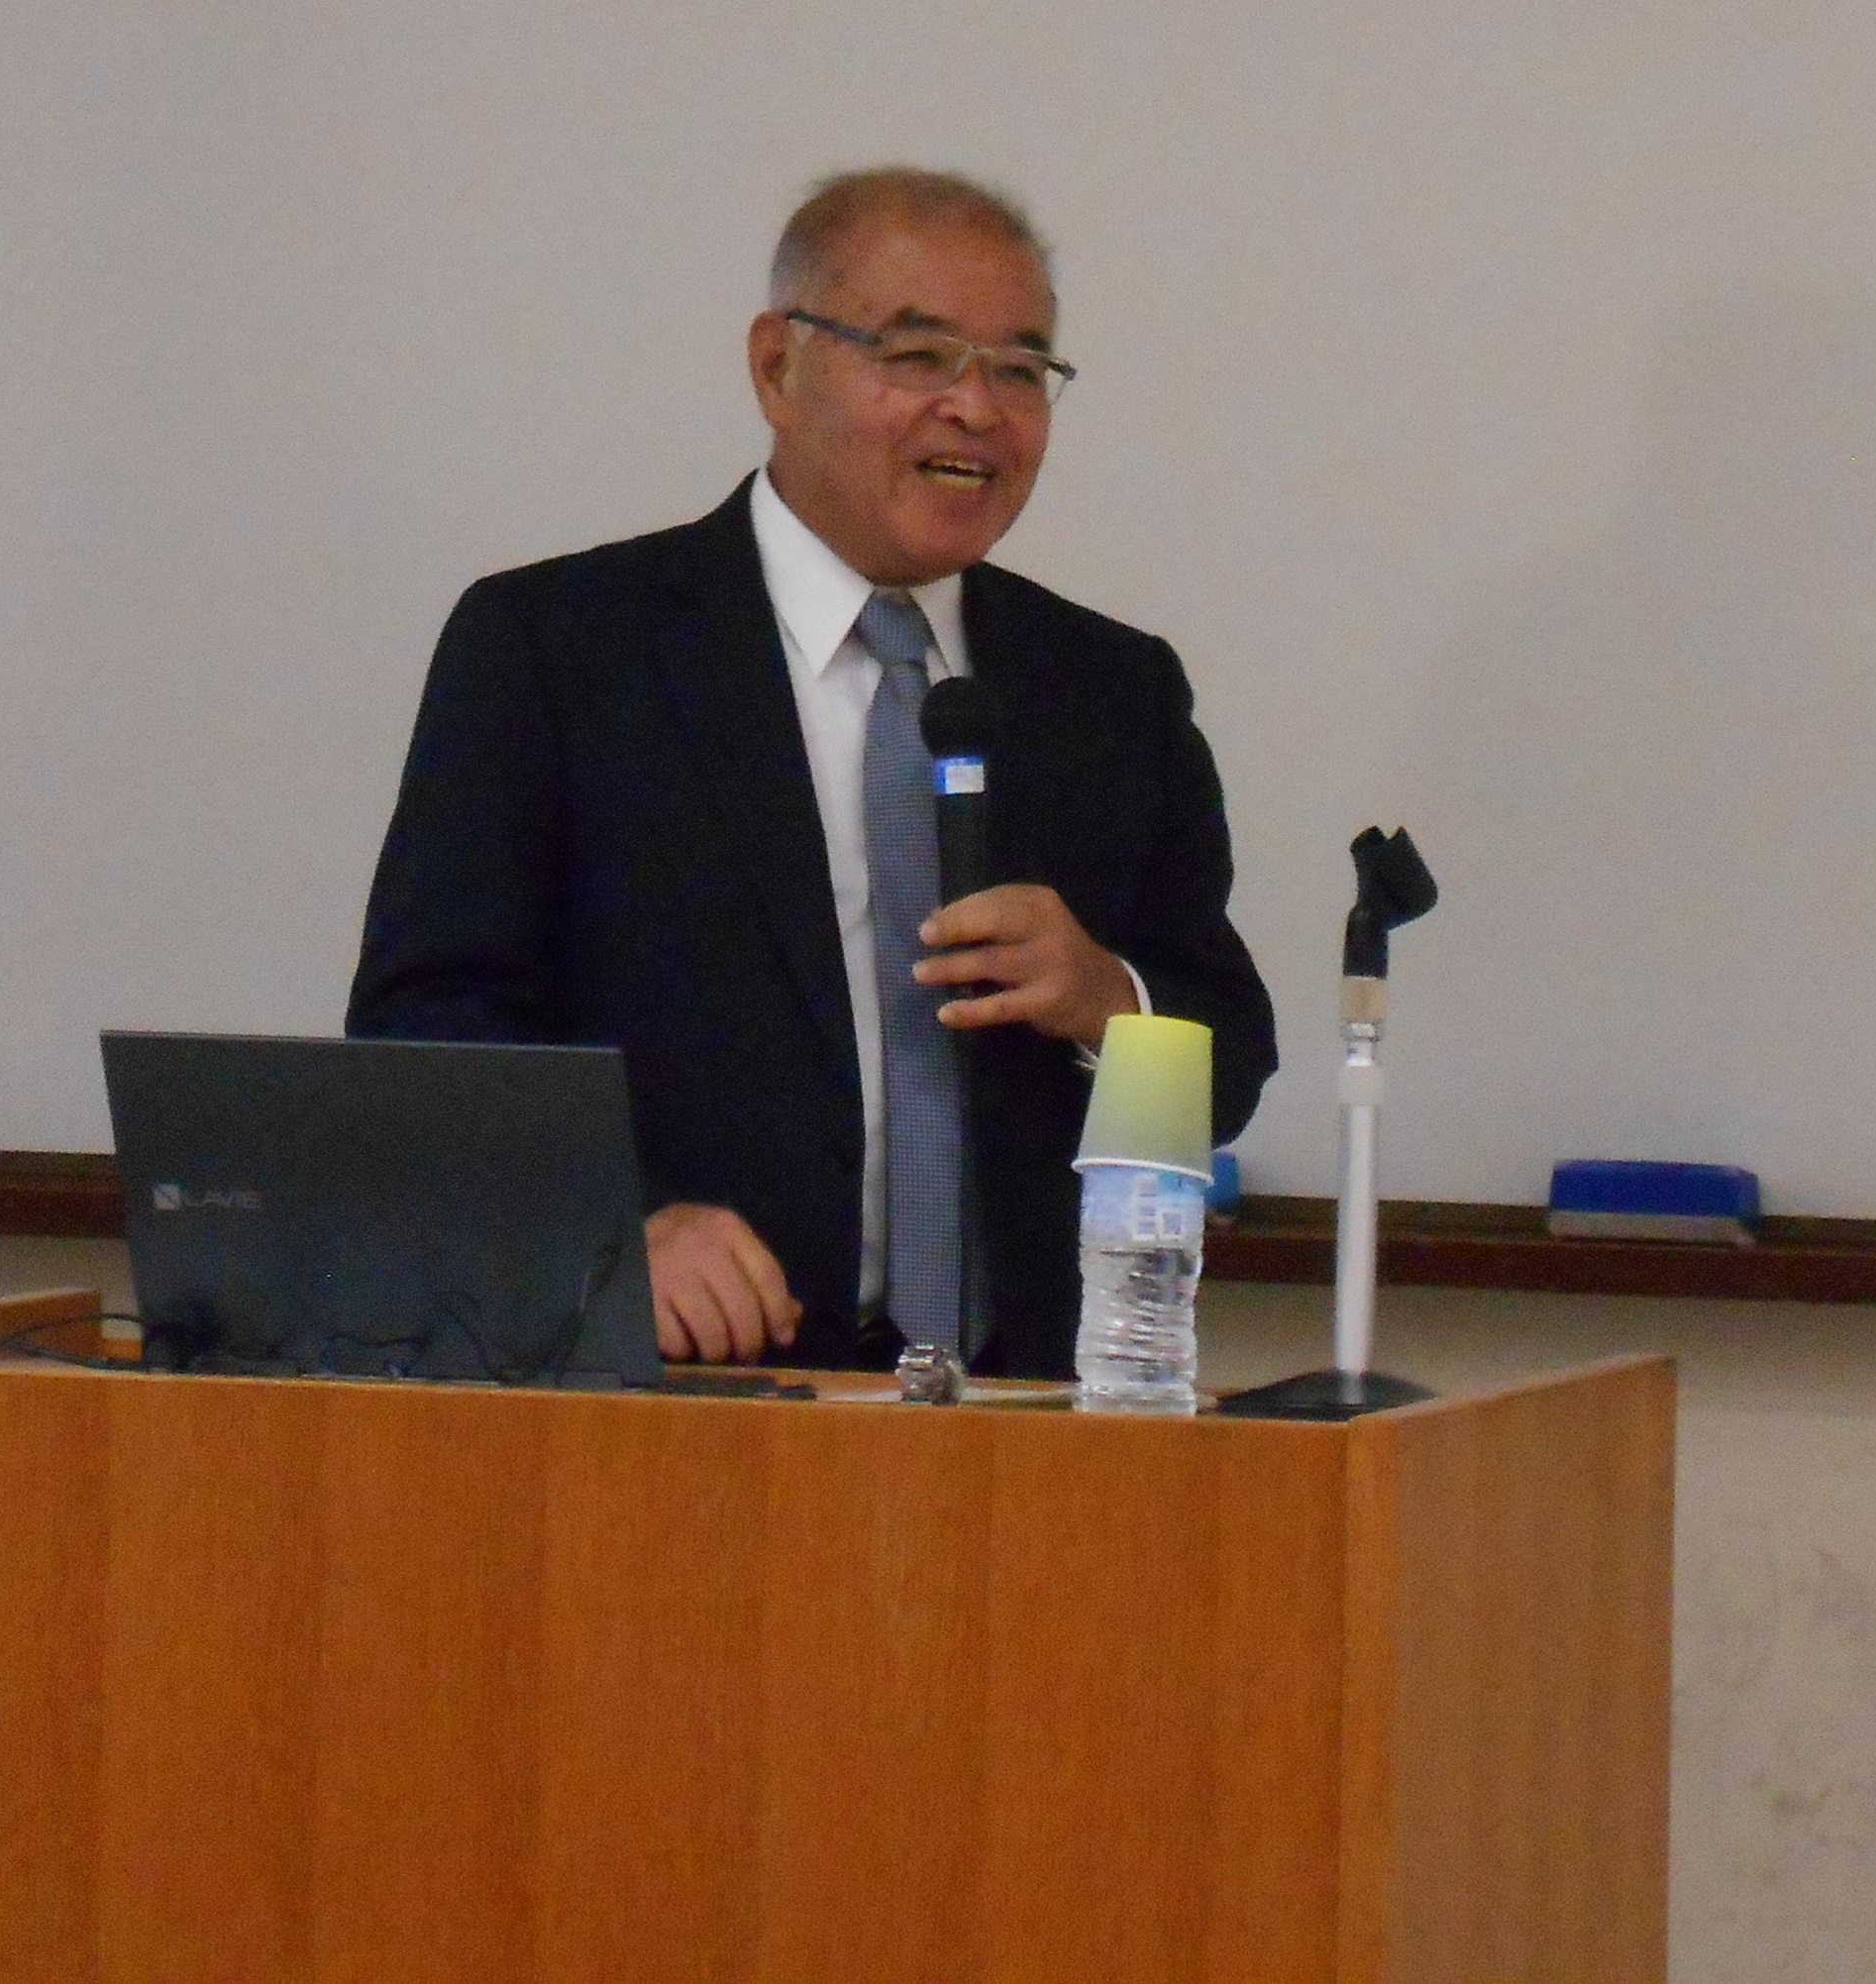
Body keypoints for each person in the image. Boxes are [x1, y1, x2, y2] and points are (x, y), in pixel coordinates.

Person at [347, 167, 1275, 1380]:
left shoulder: (1108, 688)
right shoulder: (559, 650)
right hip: (685, 1395)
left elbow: (1228, 1054)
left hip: (1030, 1409)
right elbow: (425, 1036)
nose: (974, 409)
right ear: (775, 367)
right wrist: (611, 1230)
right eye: (919, 355)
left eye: (1018, 369)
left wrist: (1106, 996)